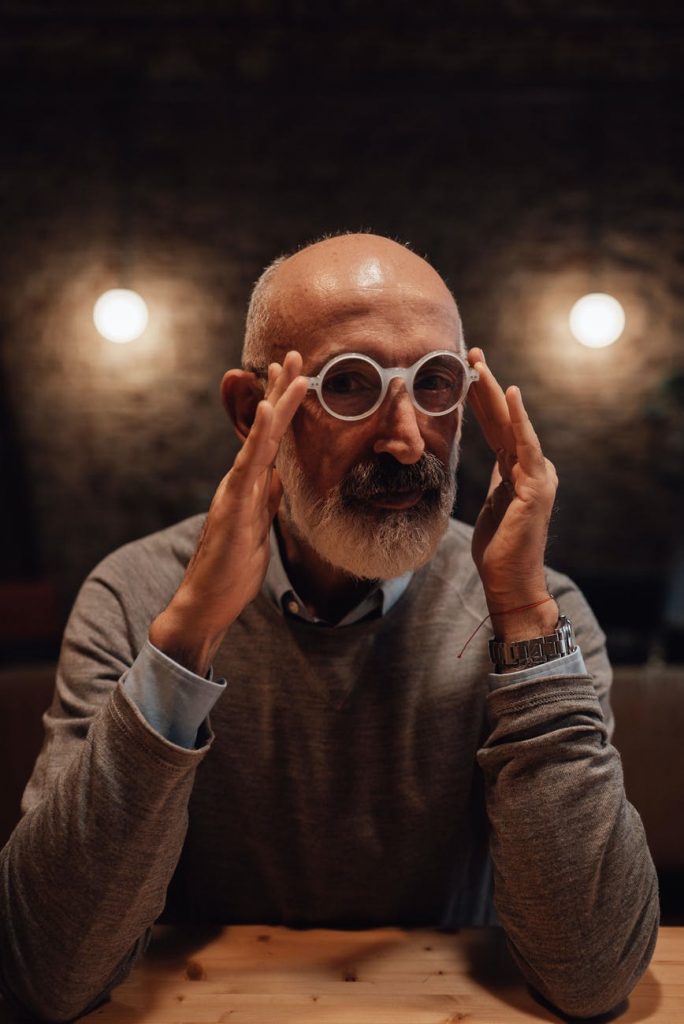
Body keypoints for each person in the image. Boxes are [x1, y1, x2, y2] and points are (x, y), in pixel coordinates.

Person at [0, 233, 658, 1022]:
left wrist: (520, 615)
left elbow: (590, 976)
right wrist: (185, 643)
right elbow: (46, 972)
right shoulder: (134, 594)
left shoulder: (539, 610)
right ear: (253, 412)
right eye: (350, 384)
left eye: (434, 383)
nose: (408, 437)